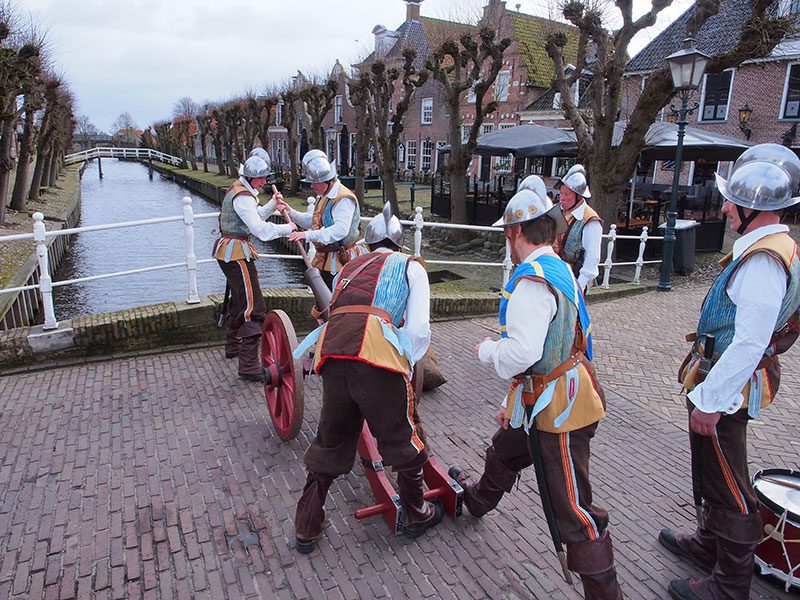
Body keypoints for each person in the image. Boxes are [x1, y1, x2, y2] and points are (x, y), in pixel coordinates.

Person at [448, 185, 623, 599]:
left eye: (508, 233)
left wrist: (488, 351)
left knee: (574, 511)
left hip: (559, 410)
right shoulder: (560, 267)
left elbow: (521, 354)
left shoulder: (532, 279)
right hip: (546, 394)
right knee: (506, 448)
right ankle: (476, 500)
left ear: (516, 232)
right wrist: (512, 402)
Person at [660, 143, 800, 600]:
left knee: (728, 479)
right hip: (720, 375)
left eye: (730, 201)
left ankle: (730, 583)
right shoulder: (766, 247)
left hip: (728, 383)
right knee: (710, 468)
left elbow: (750, 341)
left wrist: (710, 400)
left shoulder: (764, 259)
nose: (723, 207)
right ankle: (709, 544)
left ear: (752, 206)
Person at [291, 202, 441, 554]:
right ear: (400, 245)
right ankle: (417, 511)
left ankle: (307, 524)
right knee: (404, 437)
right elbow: (419, 329)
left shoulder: (348, 268)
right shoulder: (411, 267)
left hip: (334, 350)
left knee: (330, 438)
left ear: (370, 245)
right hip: (376, 354)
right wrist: (405, 362)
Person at [213, 152, 296, 382]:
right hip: (236, 253)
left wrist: (272, 206)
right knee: (254, 306)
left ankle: (234, 346)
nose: (264, 182)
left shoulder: (241, 192)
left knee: (239, 301)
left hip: (231, 251)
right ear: (249, 178)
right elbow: (259, 230)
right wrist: (287, 229)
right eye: (260, 179)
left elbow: (254, 216)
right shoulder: (243, 197)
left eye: (265, 178)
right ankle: (249, 365)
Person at [277, 150, 367, 288]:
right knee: (322, 301)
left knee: (334, 302)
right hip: (325, 259)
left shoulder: (343, 199)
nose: (311, 186)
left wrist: (306, 235)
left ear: (326, 181)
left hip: (341, 261)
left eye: (314, 182)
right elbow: (314, 221)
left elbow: (340, 230)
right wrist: (291, 212)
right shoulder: (325, 195)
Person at [553, 165, 603, 293]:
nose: (562, 198)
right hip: (555, 274)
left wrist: (580, 286)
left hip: (574, 278)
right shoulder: (558, 210)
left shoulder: (590, 221)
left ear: (579, 196)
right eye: (561, 193)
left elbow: (592, 257)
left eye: (567, 194)